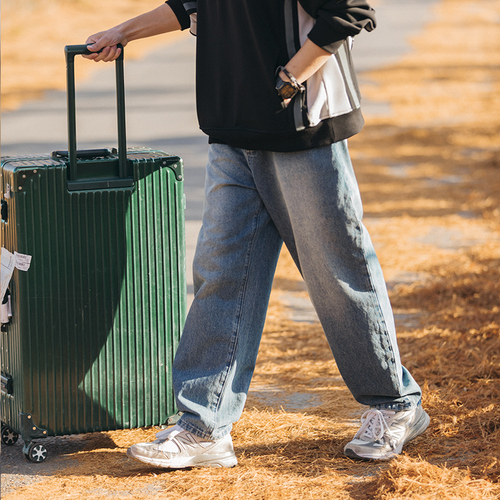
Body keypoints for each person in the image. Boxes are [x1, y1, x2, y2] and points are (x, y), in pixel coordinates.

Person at [85, 0, 429, 468]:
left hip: (301, 128)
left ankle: (395, 404)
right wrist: (123, 32)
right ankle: (203, 427)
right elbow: (192, 4)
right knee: (221, 274)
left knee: (336, 272)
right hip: (232, 130)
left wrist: (291, 77)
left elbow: (350, 11)